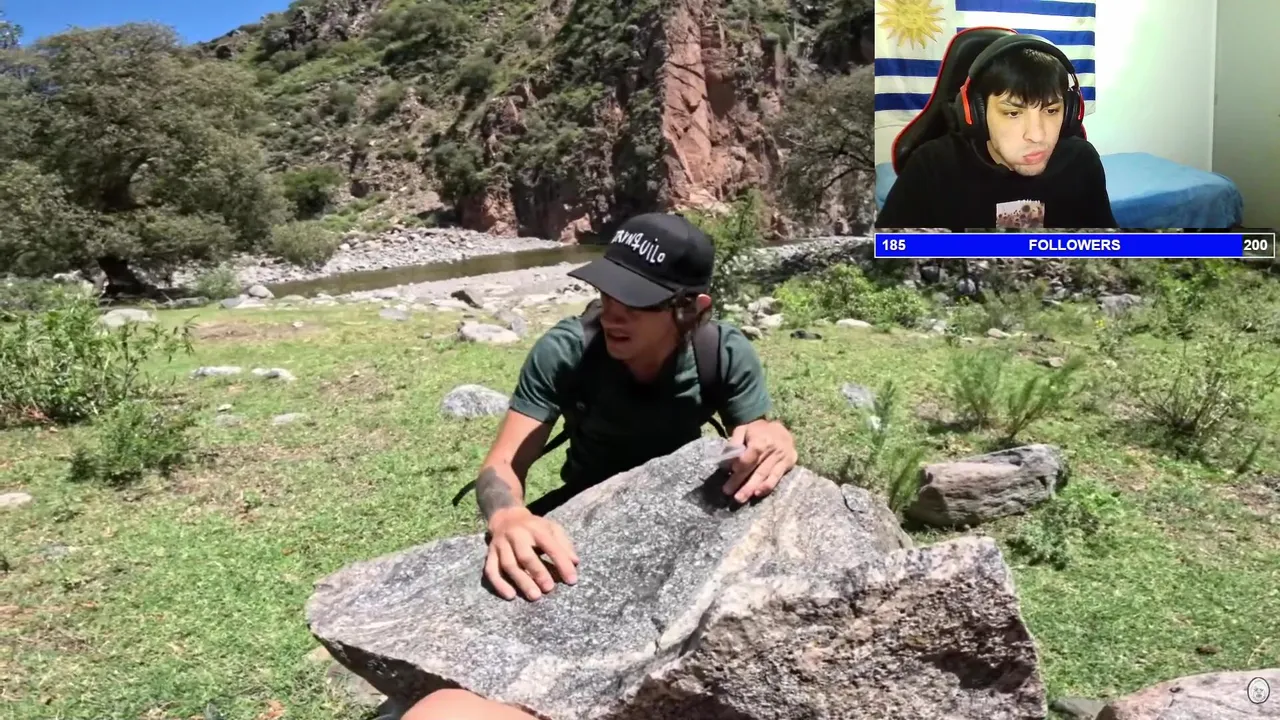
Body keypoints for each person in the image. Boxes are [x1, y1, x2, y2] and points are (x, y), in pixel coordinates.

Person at [404, 211, 799, 720]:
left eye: (635, 302)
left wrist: (772, 437)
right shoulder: (567, 350)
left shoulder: (719, 352)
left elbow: (758, 437)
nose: (613, 315)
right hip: (579, 520)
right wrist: (507, 516)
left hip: (680, 519)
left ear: (692, 308)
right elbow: (501, 465)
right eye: (607, 293)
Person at [876, 36, 1118, 230]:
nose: (1037, 136)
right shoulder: (932, 167)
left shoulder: (1080, 162)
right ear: (976, 113)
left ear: (1070, 113)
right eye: (1013, 113)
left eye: (1051, 110)